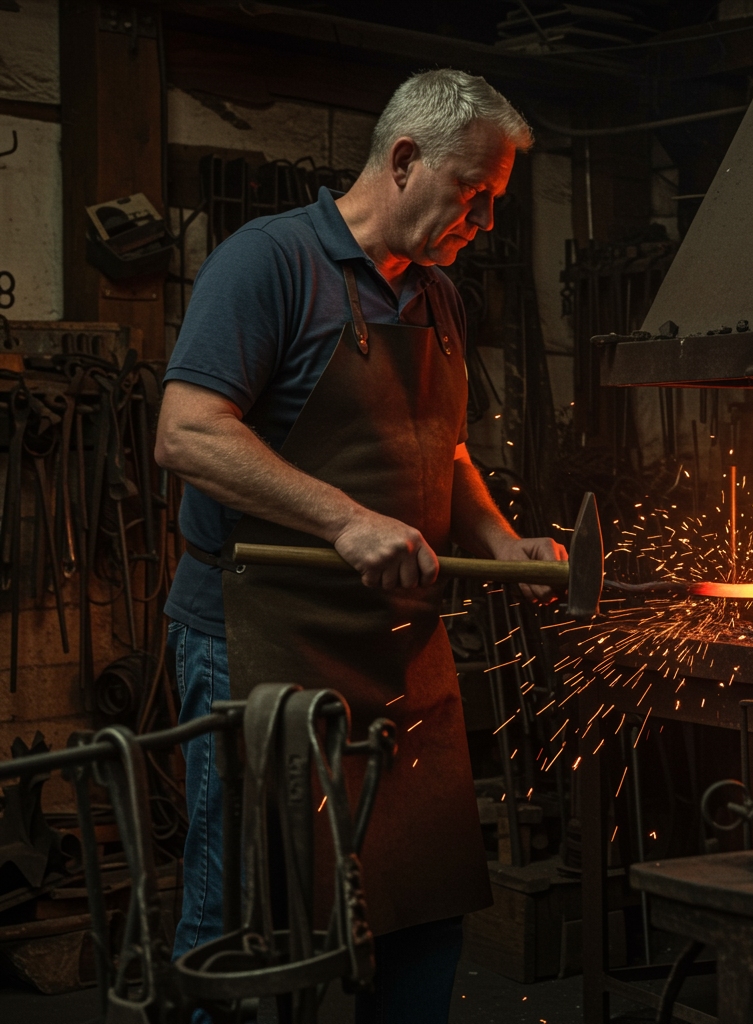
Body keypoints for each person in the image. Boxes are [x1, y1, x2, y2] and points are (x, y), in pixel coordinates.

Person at [154, 69, 566, 1023]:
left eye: (496, 200)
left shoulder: (439, 298)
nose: (485, 221)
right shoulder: (270, 263)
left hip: (398, 651)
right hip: (257, 642)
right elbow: (189, 432)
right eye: (476, 192)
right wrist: (345, 518)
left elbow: (443, 447)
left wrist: (498, 541)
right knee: (242, 917)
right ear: (406, 160)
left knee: (423, 902)